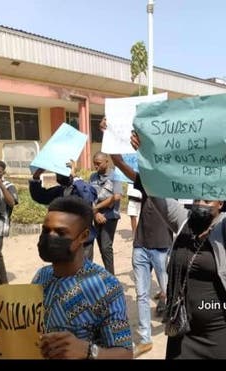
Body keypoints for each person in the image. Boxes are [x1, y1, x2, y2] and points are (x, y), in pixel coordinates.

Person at [113, 128, 226, 359]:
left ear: (221, 204)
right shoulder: (183, 222)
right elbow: (156, 193)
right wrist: (145, 154)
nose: (200, 203)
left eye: (208, 200)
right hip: (183, 329)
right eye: (198, 198)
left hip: (222, 332)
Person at [100, 119, 171, 358]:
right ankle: (145, 338)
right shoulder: (143, 180)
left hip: (162, 246)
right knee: (141, 294)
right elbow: (118, 161)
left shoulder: (172, 183)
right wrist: (108, 135)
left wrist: (145, 149)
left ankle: (176, 323)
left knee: (168, 290)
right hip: (141, 246)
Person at [33, 196, 132, 359]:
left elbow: (125, 354)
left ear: (83, 236)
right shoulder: (41, 276)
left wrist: (87, 351)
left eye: (60, 232)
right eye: (46, 230)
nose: (50, 237)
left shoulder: (106, 287)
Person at [29, 161, 97, 259]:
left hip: (82, 240)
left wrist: (75, 177)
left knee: (82, 270)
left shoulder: (84, 188)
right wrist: (36, 176)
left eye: (61, 174)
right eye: (57, 174)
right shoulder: (60, 191)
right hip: (63, 239)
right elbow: (39, 196)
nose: (58, 177)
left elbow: (87, 198)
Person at [89, 152, 122, 275]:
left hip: (110, 217)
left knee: (106, 247)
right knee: (101, 248)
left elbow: (117, 196)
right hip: (96, 216)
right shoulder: (93, 177)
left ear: (106, 161)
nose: (95, 167)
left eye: (98, 164)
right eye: (94, 164)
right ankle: (108, 274)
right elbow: (89, 197)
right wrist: (96, 213)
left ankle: (111, 277)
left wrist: (96, 208)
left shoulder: (115, 176)